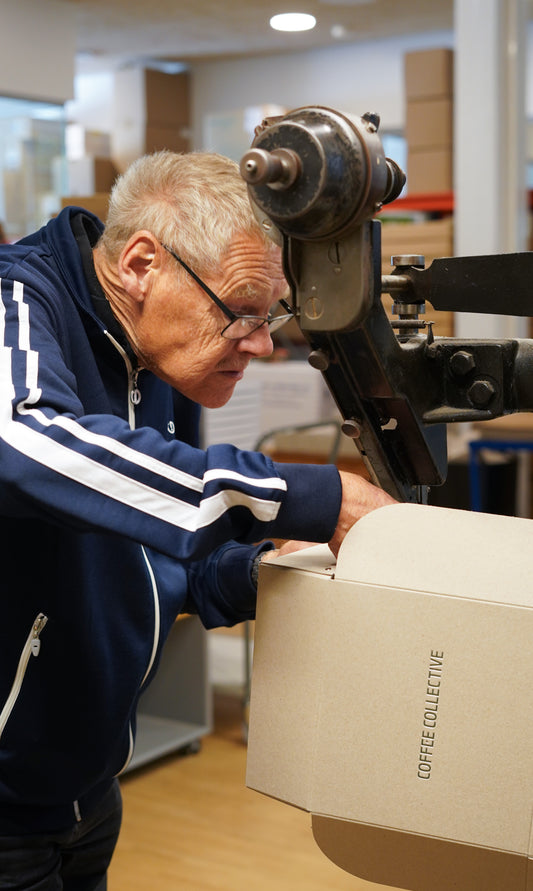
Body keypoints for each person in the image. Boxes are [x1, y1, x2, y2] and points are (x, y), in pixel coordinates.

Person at [0, 149, 395, 889]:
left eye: (268, 313)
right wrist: (309, 497)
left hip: (86, 790)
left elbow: (149, 558)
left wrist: (260, 576)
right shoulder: (17, 299)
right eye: (239, 310)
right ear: (143, 263)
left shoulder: (155, 361)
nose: (261, 342)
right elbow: (23, 444)